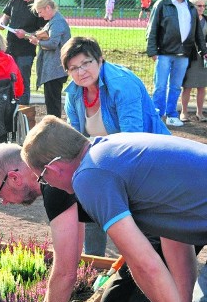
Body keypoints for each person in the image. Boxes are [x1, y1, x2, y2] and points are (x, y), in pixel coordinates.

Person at [19, 115, 207, 302]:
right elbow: (175, 238)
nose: (46, 185)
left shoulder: (89, 175)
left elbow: (144, 265)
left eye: (42, 179)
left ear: (52, 169)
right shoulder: (111, 151)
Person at [0, 143, 176, 302]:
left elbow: (66, 273)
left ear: (14, 178)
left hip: (171, 210)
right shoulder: (56, 166)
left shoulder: (53, 182)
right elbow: (72, 257)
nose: (4, 203)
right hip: (168, 206)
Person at [61, 36, 170, 256]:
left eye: (86, 63)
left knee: (140, 219)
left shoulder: (122, 84)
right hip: (107, 156)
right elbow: (76, 140)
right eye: (73, 68)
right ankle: (94, 261)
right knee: (87, 188)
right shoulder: (73, 93)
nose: (81, 71)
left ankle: (141, 263)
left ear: (100, 60)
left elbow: (133, 140)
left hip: (148, 157)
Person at [146, 0, 207, 127]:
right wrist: (152, 51)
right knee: (160, 85)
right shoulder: (162, 4)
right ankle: (157, 115)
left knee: (175, 86)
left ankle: (172, 114)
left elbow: (198, 32)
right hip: (164, 53)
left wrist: (203, 50)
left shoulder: (191, 8)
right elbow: (152, 28)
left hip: (183, 55)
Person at [0, 0, 48, 106]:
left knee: (22, 80)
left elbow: (44, 33)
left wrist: (26, 35)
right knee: (7, 78)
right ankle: (8, 107)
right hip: (10, 47)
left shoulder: (40, 5)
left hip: (26, 51)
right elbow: (6, 15)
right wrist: (2, 23)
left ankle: (23, 110)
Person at [28, 0, 70, 118]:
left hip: (55, 70)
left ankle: (54, 126)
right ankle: (53, 124)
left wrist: (38, 42)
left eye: (40, 12)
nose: (40, 15)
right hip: (53, 70)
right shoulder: (54, 21)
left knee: (53, 102)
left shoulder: (57, 22)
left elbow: (53, 43)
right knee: (51, 101)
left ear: (48, 7)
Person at [181, 0, 207, 122]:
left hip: (204, 58)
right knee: (188, 85)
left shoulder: (206, 20)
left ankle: (199, 113)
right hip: (190, 58)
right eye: (199, 5)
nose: (202, 8)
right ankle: (184, 112)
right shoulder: (186, 20)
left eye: (204, 6)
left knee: (202, 86)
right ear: (192, 6)